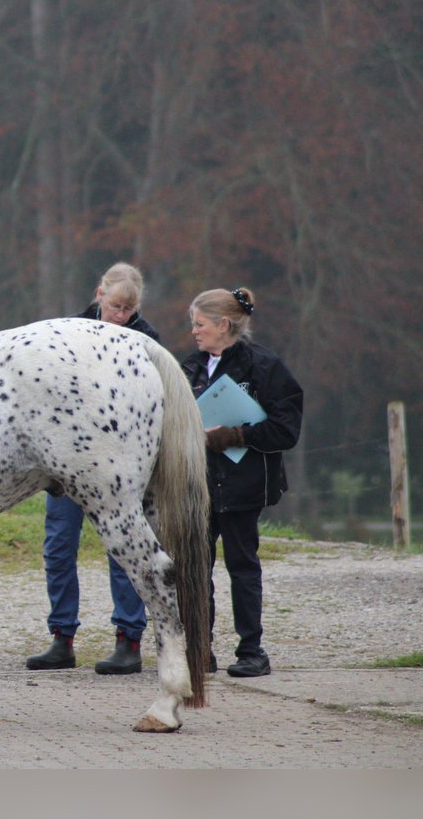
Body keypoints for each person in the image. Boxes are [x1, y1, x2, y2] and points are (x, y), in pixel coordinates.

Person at [25, 262, 159, 675]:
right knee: (58, 547)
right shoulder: (70, 333)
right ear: (100, 295)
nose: (120, 315)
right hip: (68, 462)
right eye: (115, 305)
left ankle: (128, 639)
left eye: (127, 309)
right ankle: (62, 636)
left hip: (114, 463)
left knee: (123, 549)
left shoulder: (146, 343)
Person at [182, 286, 303, 678]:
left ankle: (252, 650)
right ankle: (200, 650)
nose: (194, 332)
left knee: (242, 566)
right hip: (198, 485)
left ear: (223, 324)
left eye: (200, 324)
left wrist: (236, 436)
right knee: (197, 568)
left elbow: (286, 430)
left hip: (243, 483)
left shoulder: (265, 367)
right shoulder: (190, 368)